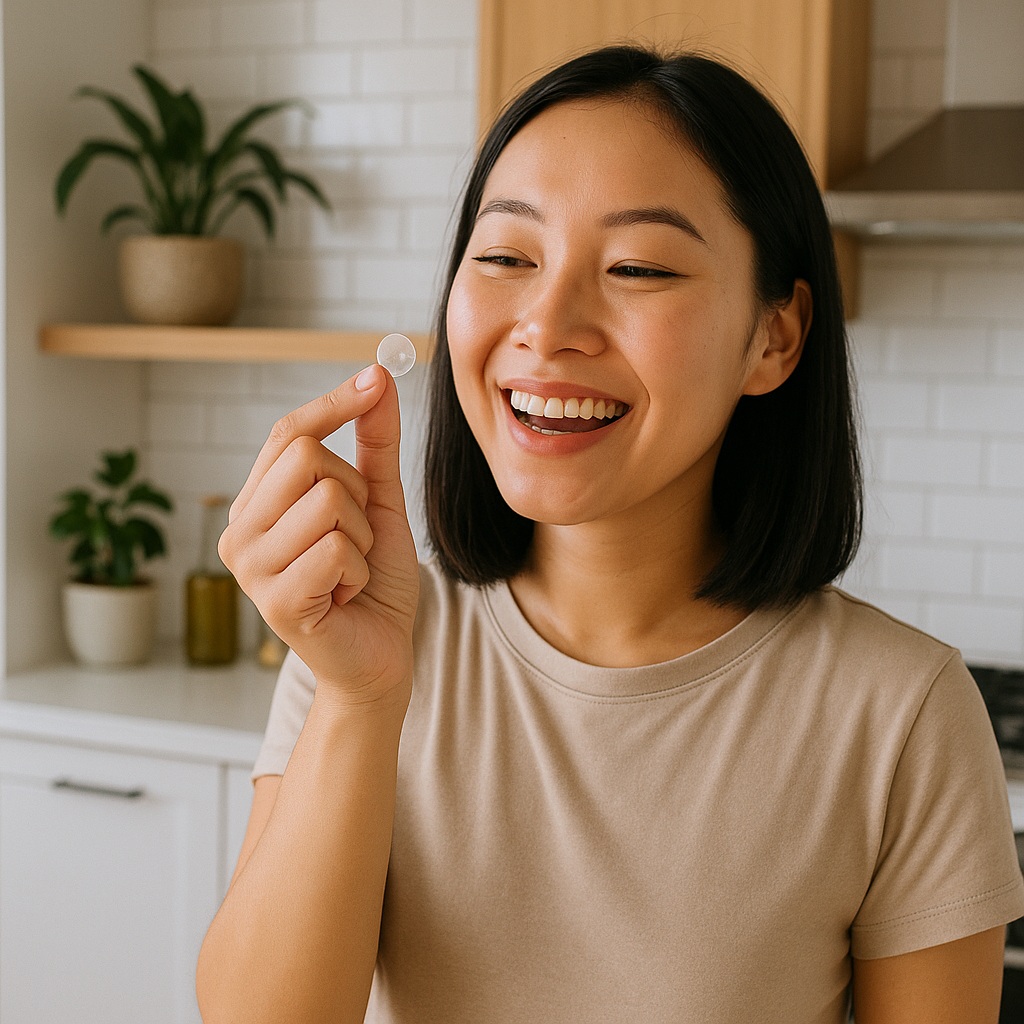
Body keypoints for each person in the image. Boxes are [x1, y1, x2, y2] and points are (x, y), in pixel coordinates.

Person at [195, 46, 1024, 1024]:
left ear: (775, 336)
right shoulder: (365, 646)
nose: (547, 325)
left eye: (636, 266)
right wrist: (359, 693)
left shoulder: (902, 714)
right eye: (506, 256)